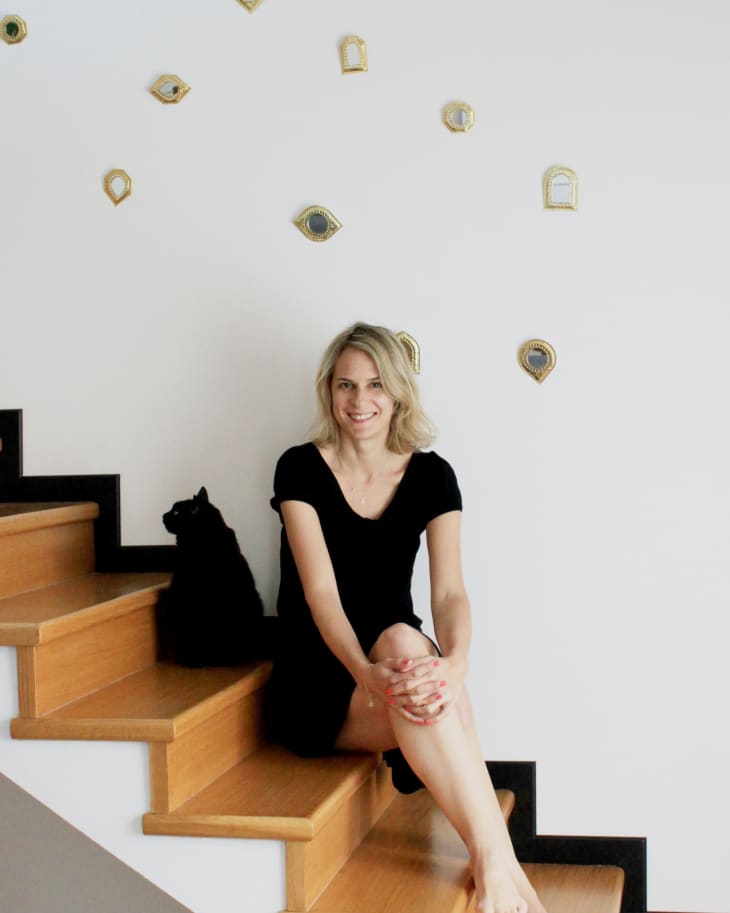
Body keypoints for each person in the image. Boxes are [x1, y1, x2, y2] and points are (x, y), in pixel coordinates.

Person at [265, 322, 547, 913]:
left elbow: (449, 594)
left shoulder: (432, 476)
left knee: (410, 650)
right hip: (320, 676)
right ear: (329, 390)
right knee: (416, 666)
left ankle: (494, 866)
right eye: (345, 385)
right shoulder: (299, 468)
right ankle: (499, 863)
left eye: (375, 385)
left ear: (397, 393)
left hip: (398, 666)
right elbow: (321, 594)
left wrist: (457, 664)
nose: (359, 401)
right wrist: (363, 673)